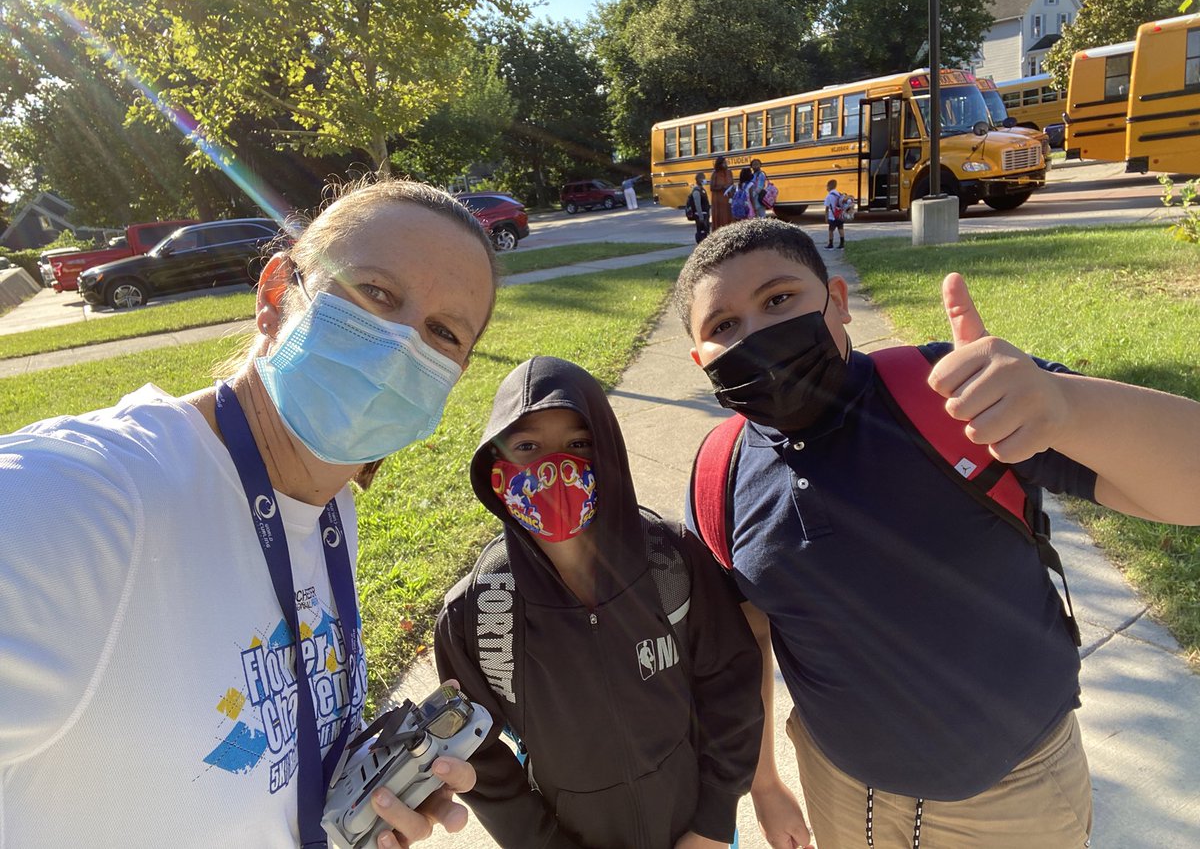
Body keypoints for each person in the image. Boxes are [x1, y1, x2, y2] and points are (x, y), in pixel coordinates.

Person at [0, 178, 500, 849]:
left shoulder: (330, 513)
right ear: (274, 295)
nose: (397, 348)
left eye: (443, 333)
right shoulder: (87, 500)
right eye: (375, 292)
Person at [671, 218, 1200, 849]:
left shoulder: (954, 399)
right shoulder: (718, 478)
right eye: (724, 327)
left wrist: (1065, 405)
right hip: (840, 789)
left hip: (1012, 793)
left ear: (838, 302)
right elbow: (748, 637)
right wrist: (765, 785)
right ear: (702, 360)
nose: (757, 333)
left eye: (779, 299)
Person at [434, 356, 764, 849]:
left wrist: (715, 819)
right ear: (496, 470)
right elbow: (475, 749)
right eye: (527, 447)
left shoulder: (672, 562)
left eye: (579, 444)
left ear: (608, 451)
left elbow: (730, 683)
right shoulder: (480, 611)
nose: (555, 468)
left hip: (696, 831)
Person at [823, 178, 850, 249]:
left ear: (829, 186)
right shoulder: (839, 194)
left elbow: (827, 208)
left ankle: (830, 244)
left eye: (827, 186)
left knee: (831, 231)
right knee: (841, 229)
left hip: (832, 216)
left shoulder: (829, 196)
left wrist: (826, 217)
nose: (826, 188)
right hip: (840, 215)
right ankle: (842, 244)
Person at [709, 156, 733, 231]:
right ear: (719, 164)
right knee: (720, 216)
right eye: (724, 163)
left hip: (728, 199)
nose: (726, 164)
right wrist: (722, 187)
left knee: (729, 216)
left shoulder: (729, 172)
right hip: (718, 201)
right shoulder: (715, 174)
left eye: (726, 162)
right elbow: (712, 187)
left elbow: (732, 184)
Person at [687, 172, 711, 244]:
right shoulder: (697, 191)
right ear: (700, 179)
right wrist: (701, 217)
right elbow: (698, 205)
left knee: (706, 231)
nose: (705, 180)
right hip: (700, 215)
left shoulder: (701, 189)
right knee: (701, 231)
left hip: (704, 214)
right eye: (703, 178)